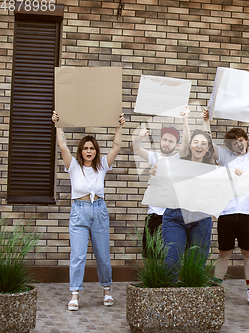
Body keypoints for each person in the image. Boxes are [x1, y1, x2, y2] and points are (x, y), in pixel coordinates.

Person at [52, 110, 125, 311]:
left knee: (102, 254)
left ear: (96, 151)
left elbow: (116, 147)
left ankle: (107, 290)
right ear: (81, 151)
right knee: (78, 255)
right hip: (79, 212)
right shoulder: (73, 166)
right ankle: (74, 294)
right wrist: (58, 124)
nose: (89, 151)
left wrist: (119, 127)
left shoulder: (102, 165)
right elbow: (62, 146)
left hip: (99, 211)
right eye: (85, 148)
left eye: (92, 148)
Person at [203, 99, 249, 306]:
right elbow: (209, 144)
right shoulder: (226, 156)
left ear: (246, 141)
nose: (238, 144)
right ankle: (216, 288)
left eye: (241, 140)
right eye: (234, 142)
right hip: (226, 213)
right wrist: (206, 122)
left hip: (247, 213)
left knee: (248, 253)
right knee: (223, 253)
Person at [130, 107, 190, 257]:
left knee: (168, 254)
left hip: (171, 215)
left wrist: (185, 120)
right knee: (150, 254)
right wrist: (139, 137)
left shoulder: (178, 158)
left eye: (171, 141)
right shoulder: (155, 157)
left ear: (176, 145)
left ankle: (167, 280)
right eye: (165, 139)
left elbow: (186, 145)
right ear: (160, 141)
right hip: (154, 214)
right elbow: (135, 148)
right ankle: (154, 281)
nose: (167, 143)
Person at [160, 129, 216, 278]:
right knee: (172, 259)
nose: (199, 146)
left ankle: (193, 298)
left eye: (203, 144)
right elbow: (161, 179)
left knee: (196, 263)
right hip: (175, 217)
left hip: (201, 218)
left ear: (208, 148)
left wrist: (235, 174)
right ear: (190, 145)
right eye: (196, 142)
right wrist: (155, 171)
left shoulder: (213, 170)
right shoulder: (176, 164)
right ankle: (170, 297)